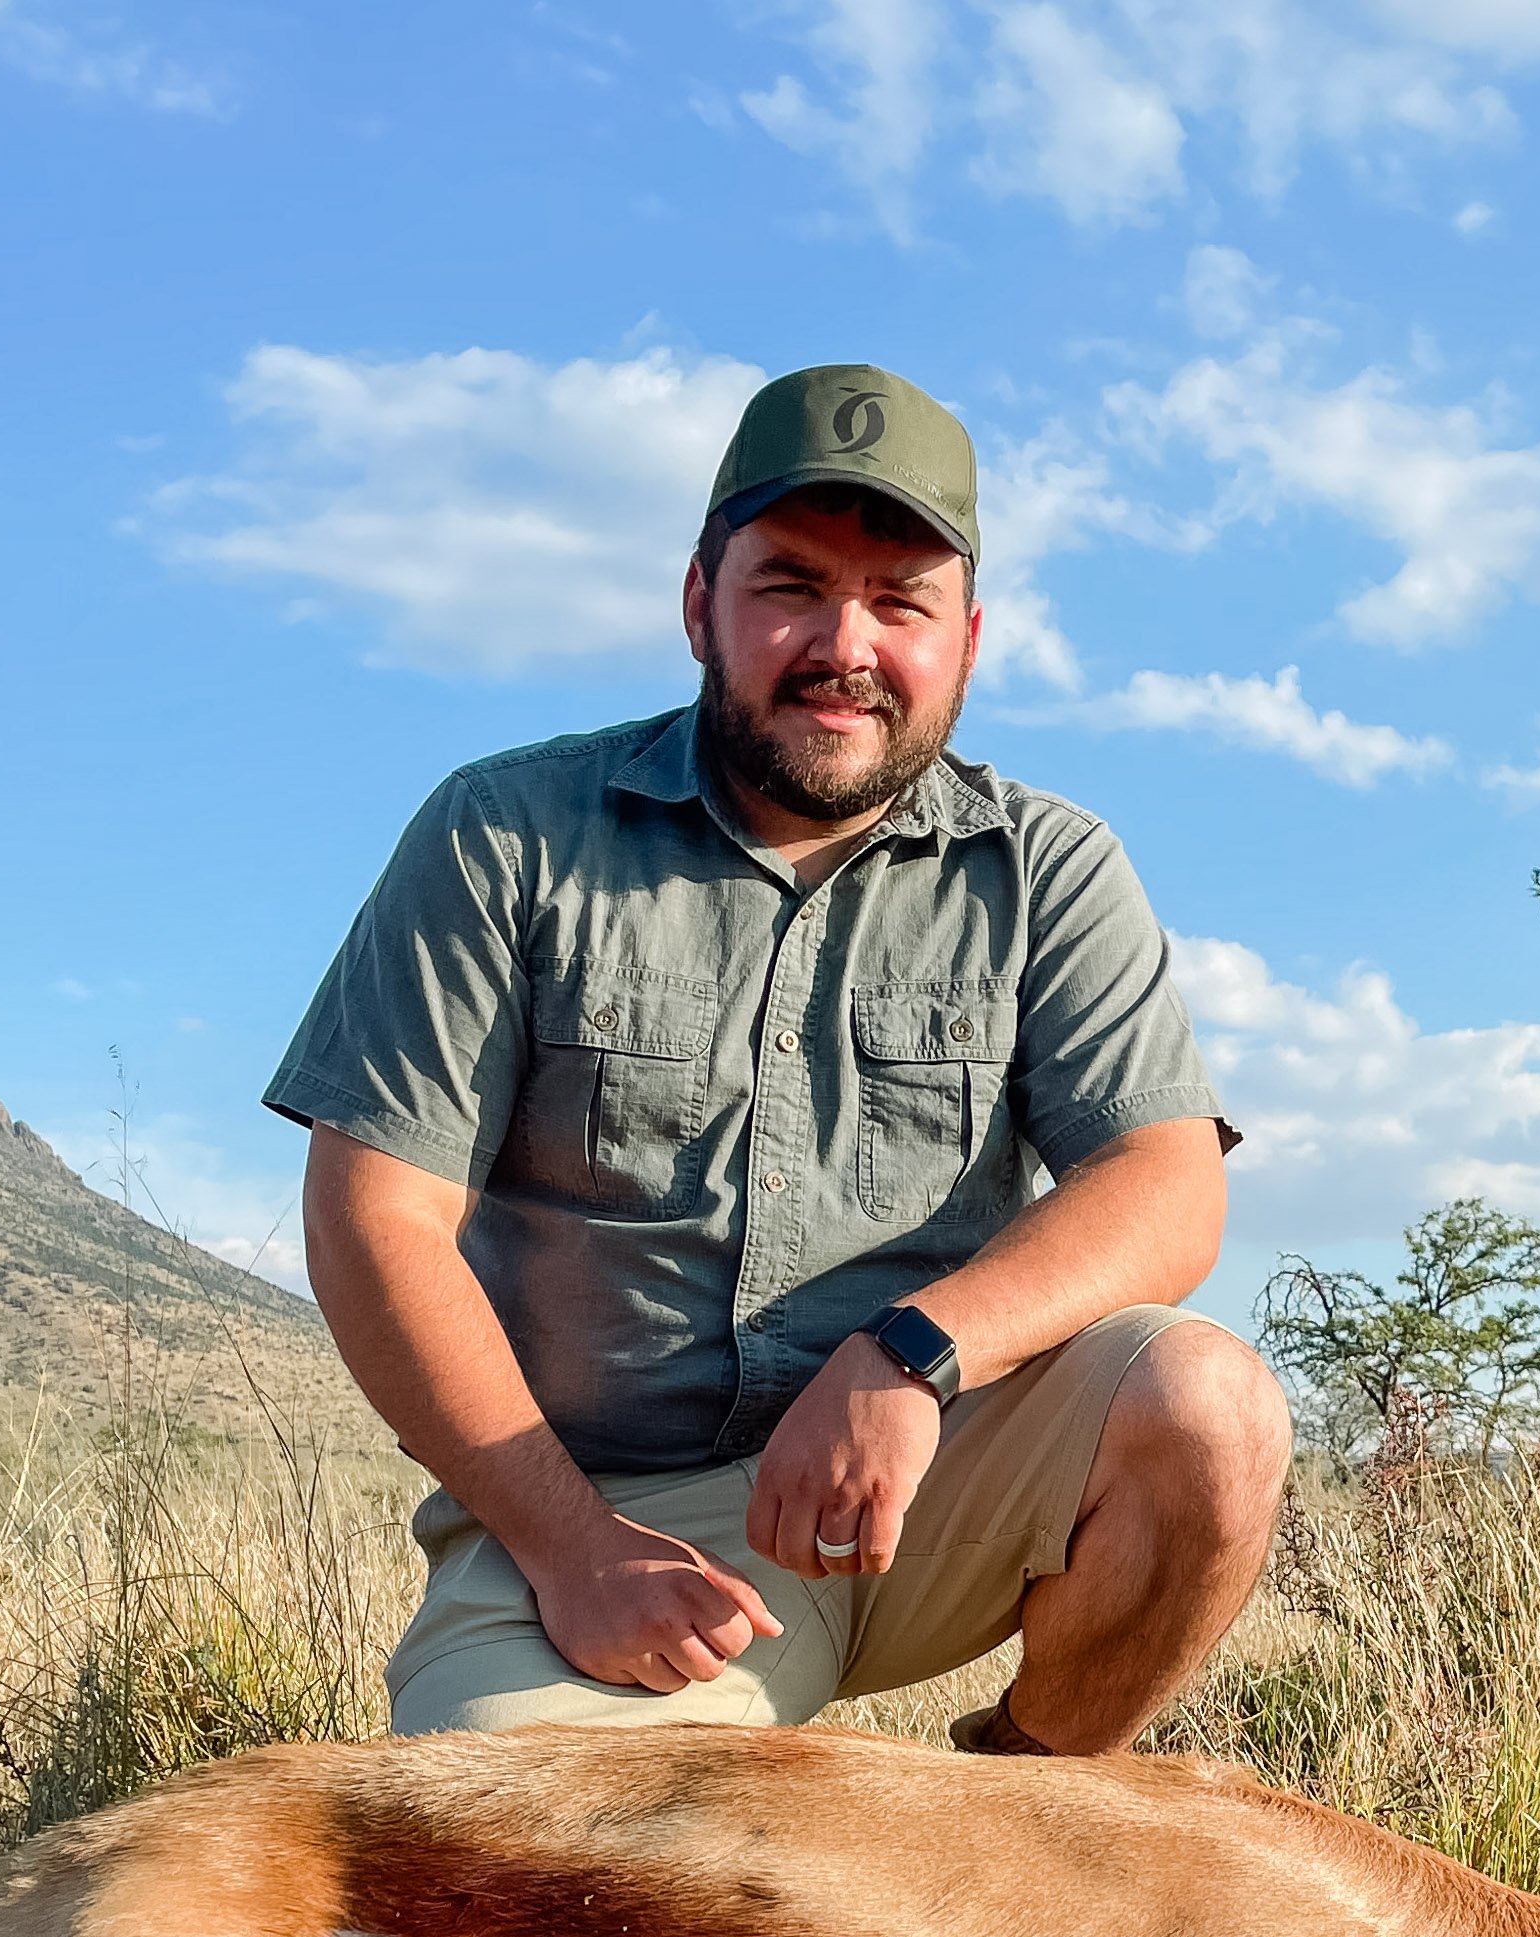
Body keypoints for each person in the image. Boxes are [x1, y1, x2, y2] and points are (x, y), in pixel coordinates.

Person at [267, 362, 1288, 1752]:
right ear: (701, 603)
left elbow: (1166, 1186)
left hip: (923, 1470)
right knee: (523, 1888)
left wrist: (913, 1355)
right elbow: (375, 1218)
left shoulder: (1049, 867)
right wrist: (571, 1551)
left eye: (899, 602)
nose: (845, 644)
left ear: (968, 640)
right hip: (600, 1522)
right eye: (791, 585)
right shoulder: (504, 835)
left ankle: (1026, 1797)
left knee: (1207, 1411)